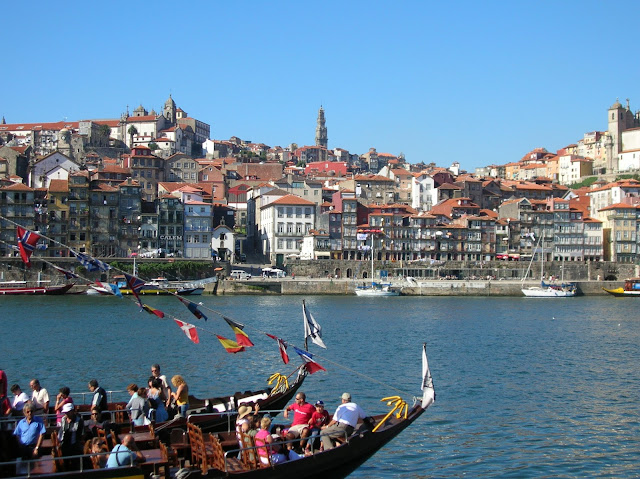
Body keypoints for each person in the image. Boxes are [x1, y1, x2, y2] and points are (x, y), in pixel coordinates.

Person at [58, 403, 84, 469]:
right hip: (64, 445)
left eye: (67, 412)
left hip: (75, 446)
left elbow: (82, 434)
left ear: (72, 411)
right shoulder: (63, 419)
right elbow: (61, 432)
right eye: (65, 412)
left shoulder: (79, 421)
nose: (66, 414)